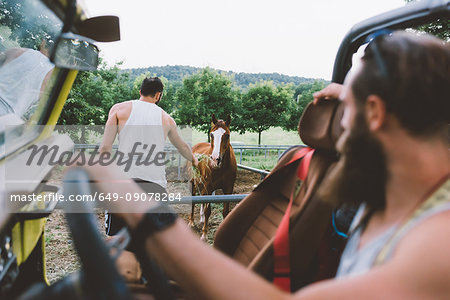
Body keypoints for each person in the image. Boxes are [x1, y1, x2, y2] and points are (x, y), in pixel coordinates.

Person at [87, 30, 449, 298]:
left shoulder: (436, 246)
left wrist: (144, 212)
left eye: (346, 110)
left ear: (374, 113)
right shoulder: (390, 185)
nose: (337, 122)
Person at [99, 77, 198, 236]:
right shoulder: (167, 119)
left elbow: (105, 148)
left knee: (118, 240)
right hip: (155, 186)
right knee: (151, 243)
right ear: (158, 95)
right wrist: (195, 160)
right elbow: (182, 146)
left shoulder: (118, 109)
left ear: (140, 92)